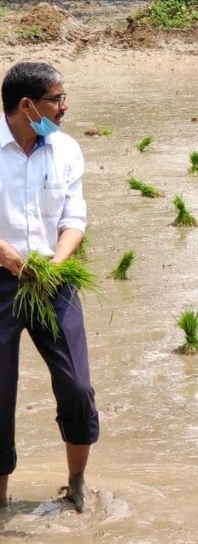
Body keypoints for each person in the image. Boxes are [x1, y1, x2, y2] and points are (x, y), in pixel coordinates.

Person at [0, 62, 97, 512]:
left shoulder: (65, 150)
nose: (64, 106)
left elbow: (73, 218)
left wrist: (56, 264)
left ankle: (76, 483)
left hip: (51, 281)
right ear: (26, 106)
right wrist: (4, 253)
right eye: (57, 98)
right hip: (0, 281)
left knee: (76, 385)